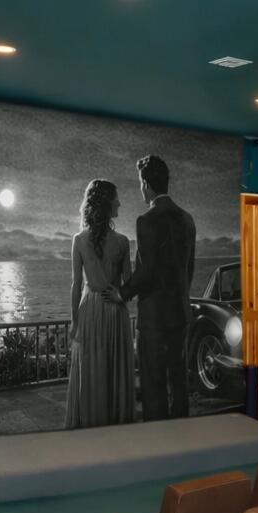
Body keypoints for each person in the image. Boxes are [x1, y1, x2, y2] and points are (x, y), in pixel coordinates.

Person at [107, 155, 196, 421]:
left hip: (154, 320)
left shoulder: (146, 221)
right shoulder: (188, 220)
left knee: (154, 386)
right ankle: (183, 439)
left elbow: (145, 271)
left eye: (140, 183)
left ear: (146, 184)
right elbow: (188, 269)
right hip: (180, 315)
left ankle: (158, 442)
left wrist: (121, 293)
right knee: (179, 383)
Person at [64, 179, 135, 428]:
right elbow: (129, 284)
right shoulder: (124, 242)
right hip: (115, 311)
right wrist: (121, 296)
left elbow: (75, 285)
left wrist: (74, 322)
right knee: (113, 371)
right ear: (107, 203)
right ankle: (115, 427)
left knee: (92, 371)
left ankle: (91, 426)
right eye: (116, 198)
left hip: (91, 310)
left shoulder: (79, 240)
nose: (120, 203)